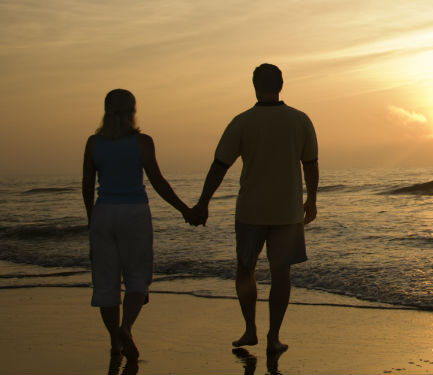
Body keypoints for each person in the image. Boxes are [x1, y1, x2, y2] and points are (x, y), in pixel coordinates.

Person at [190, 63, 319, 354]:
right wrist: (311, 199)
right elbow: (310, 164)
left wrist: (203, 202)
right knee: (281, 274)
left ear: (254, 85)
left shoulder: (242, 121)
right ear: (281, 84)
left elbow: (219, 166)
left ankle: (250, 329)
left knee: (245, 269)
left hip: (251, 210)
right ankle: (274, 337)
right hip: (287, 211)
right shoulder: (300, 120)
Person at [82, 88, 194, 360]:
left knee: (107, 282)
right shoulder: (142, 142)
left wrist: (92, 220)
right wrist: (185, 209)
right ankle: (126, 328)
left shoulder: (93, 143)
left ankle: (115, 342)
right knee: (138, 276)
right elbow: (158, 182)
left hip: (103, 212)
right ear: (133, 111)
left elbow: (87, 186)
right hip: (134, 212)